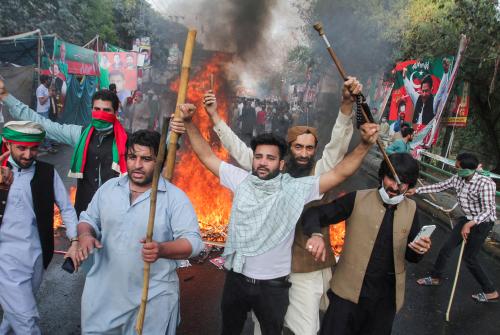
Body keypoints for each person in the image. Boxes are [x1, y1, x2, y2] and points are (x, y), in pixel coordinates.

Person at [174, 77, 359, 335]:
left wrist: (347, 110)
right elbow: (235, 149)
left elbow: (338, 152)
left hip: (303, 266)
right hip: (260, 274)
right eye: (298, 147)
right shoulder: (266, 169)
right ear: (287, 153)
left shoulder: (315, 175)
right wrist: (213, 117)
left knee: (304, 329)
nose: (304, 154)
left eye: (309, 148)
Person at [74, 130, 203, 334]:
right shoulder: (109, 188)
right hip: (102, 297)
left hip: (153, 300)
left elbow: (193, 243)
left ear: (159, 161)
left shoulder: (174, 198)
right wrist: (85, 235)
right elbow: (87, 219)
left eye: (146, 159)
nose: (138, 165)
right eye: (133, 157)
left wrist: (161, 249)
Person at [302, 153, 432, 335]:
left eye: (402, 183)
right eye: (391, 179)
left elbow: (412, 256)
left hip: (384, 302)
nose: (395, 187)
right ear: (382, 176)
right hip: (346, 295)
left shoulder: (412, 210)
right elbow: (314, 214)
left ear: (410, 185)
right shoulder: (357, 199)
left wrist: (420, 250)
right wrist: (315, 234)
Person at [0, 81, 128, 216]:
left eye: (106, 110)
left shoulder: (128, 142)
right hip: (84, 213)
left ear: (115, 112)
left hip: (114, 214)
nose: (101, 114)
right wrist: (6, 96)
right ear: (91, 110)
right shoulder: (79, 134)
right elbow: (43, 124)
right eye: (97, 109)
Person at [0, 121, 79, 334]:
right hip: (5, 259)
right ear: (8, 145)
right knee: (27, 320)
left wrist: (74, 240)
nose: (28, 154)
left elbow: (67, 208)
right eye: (21, 148)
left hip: (37, 256)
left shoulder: (47, 172)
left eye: (33, 148)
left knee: (14, 313)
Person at [407, 152, 498, 302]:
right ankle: (435, 277)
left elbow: (488, 210)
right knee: (446, 248)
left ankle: (491, 292)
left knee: (470, 258)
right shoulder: (458, 179)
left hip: (482, 223)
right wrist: (416, 190)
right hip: (466, 219)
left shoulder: (486, 183)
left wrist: (470, 224)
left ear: (468, 169)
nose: (456, 169)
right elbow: (440, 186)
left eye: (458, 167)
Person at [403, 59, 450, 127]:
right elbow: (410, 90)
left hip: (426, 136)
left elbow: (441, 90)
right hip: (414, 133)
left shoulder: (434, 101)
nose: (424, 94)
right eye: (423, 91)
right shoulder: (417, 98)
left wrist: (446, 73)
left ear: (431, 89)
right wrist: (404, 77)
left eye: (426, 91)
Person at [35, 75, 56, 153]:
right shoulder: (40, 89)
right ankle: (47, 146)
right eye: (48, 79)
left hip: (47, 111)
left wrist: (51, 93)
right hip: (42, 112)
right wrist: (48, 95)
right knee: (46, 129)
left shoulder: (46, 88)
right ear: (45, 80)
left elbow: (51, 95)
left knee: (45, 128)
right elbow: (41, 102)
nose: (49, 80)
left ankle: (45, 144)